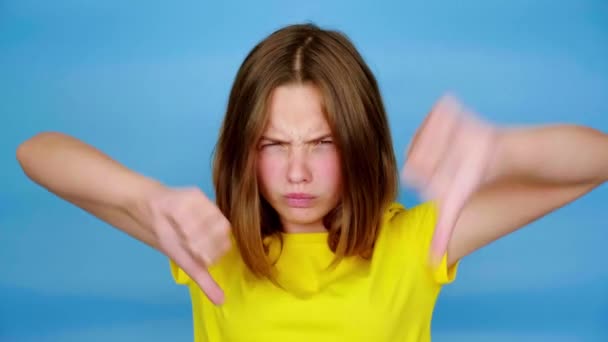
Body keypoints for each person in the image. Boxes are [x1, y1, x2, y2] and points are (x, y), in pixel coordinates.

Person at [16, 23, 607, 342]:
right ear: (245, 150)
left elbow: (598, 160)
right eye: (274, 144)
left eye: (322, 143)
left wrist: (504, 150)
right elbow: (34, 153)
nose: (297, 172)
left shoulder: (417, 243)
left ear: (358, 142)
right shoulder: (205, 241)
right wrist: (142, 198)